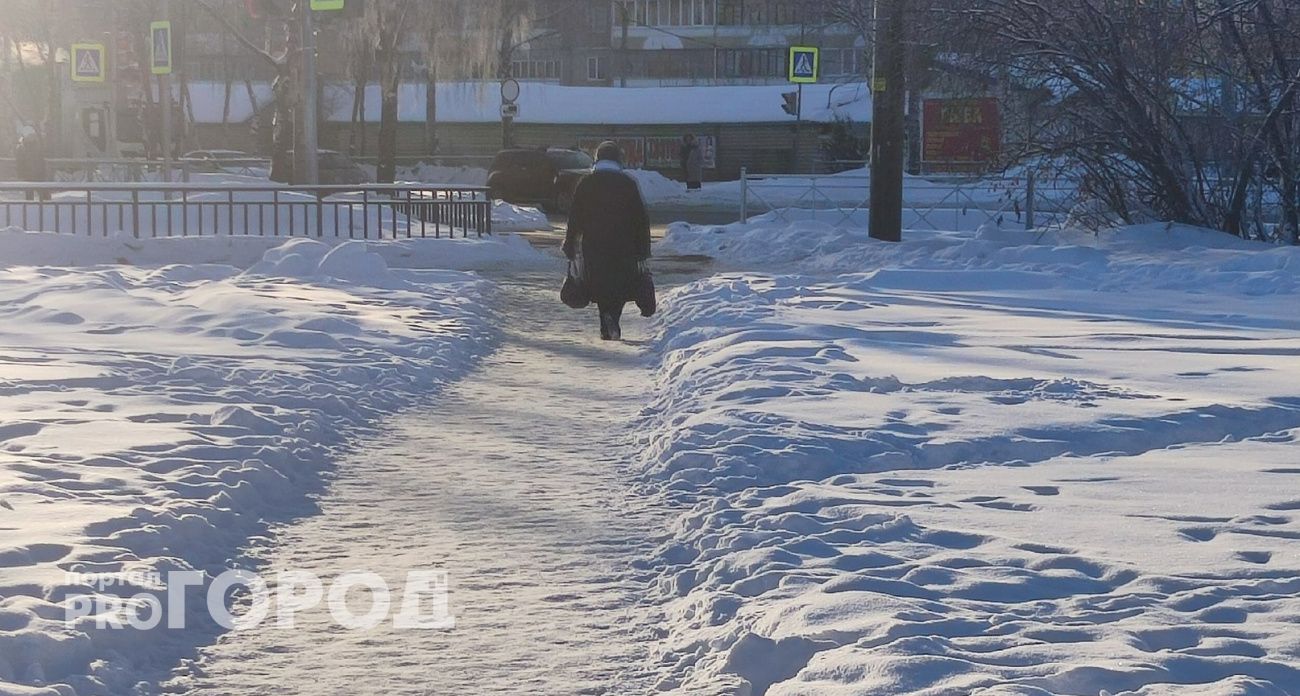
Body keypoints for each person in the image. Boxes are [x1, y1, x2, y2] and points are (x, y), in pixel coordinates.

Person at [563, 141, 652, 341]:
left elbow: (575, 217)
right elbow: (641, 218)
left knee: (599, 282)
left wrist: (570, 243)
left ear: (598, 159)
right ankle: (613, 318)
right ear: (618, 159)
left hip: (594, 244)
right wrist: (643, 248)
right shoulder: (627, 183)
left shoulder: (586, 183)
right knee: (619, 283)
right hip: (624, 245)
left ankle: (606, 321)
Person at [14, 126, 49, 201]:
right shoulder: (22, 147)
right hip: (29, 174)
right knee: (30, 195)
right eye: (31, 135)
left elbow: (41, 160)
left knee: (44, 195)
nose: (32, 137)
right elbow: (20, 162)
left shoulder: (36, 145)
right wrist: (21, 173)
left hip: (38, 174)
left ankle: (46, 205)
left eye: (32, 135)